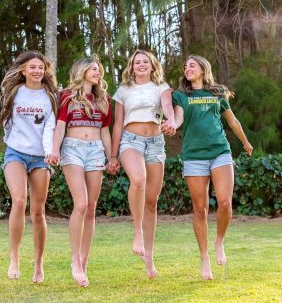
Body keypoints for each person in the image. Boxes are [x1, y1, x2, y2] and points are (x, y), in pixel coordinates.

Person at [161, 55, 253, 280]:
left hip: (220, 151)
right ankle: (204, 257)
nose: (187, 68)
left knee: (224, 202)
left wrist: (245, 142)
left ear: (203, 68)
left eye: (192, 65)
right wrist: (172, 124)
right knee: (200, 209)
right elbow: (179, 117)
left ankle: (219, 241)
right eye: (185, 67)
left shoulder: (218, 92)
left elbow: (232, 121)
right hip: (194, 156)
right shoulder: (182, 95)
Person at [108, 49, 176, 278]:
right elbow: (117, 124)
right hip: (130, 140)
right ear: (132, 66)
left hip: (156, 142)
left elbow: (167, 107)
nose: (141, 64)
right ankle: (137, 231)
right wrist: (113, 155)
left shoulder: (161, 87)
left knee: (151, 202)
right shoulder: (123, 90)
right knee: (138, 179)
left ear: (152, 65)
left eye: (145, 61)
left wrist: (172, 121)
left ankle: (149, 259)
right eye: (137, 62)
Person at [48, 57, 112, 288]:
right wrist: (55, 150)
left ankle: (84, 261)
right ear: (81, 71)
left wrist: (112, 156)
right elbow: (60, 126)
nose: (97, 72)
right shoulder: (67, 96)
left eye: (98, 69)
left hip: (95, 151)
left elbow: (105, 132)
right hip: (72, 149)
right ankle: (74, 259)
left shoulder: (102, 99)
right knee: (82, 204)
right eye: (93, 69)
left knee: (92, 208)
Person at [0, 51, 59, 282]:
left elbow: (50, 128)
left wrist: (48, 152)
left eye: (41, 67)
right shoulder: (13, 92)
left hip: (40, 157)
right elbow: (6, 121)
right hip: (15, 153)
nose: (37, 71)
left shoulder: (50, 96)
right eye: (32, 67)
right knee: (19, 200)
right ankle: (14, 256)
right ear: (23, 70)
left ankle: (38, 263)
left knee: (38, 211)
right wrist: (13, 141)